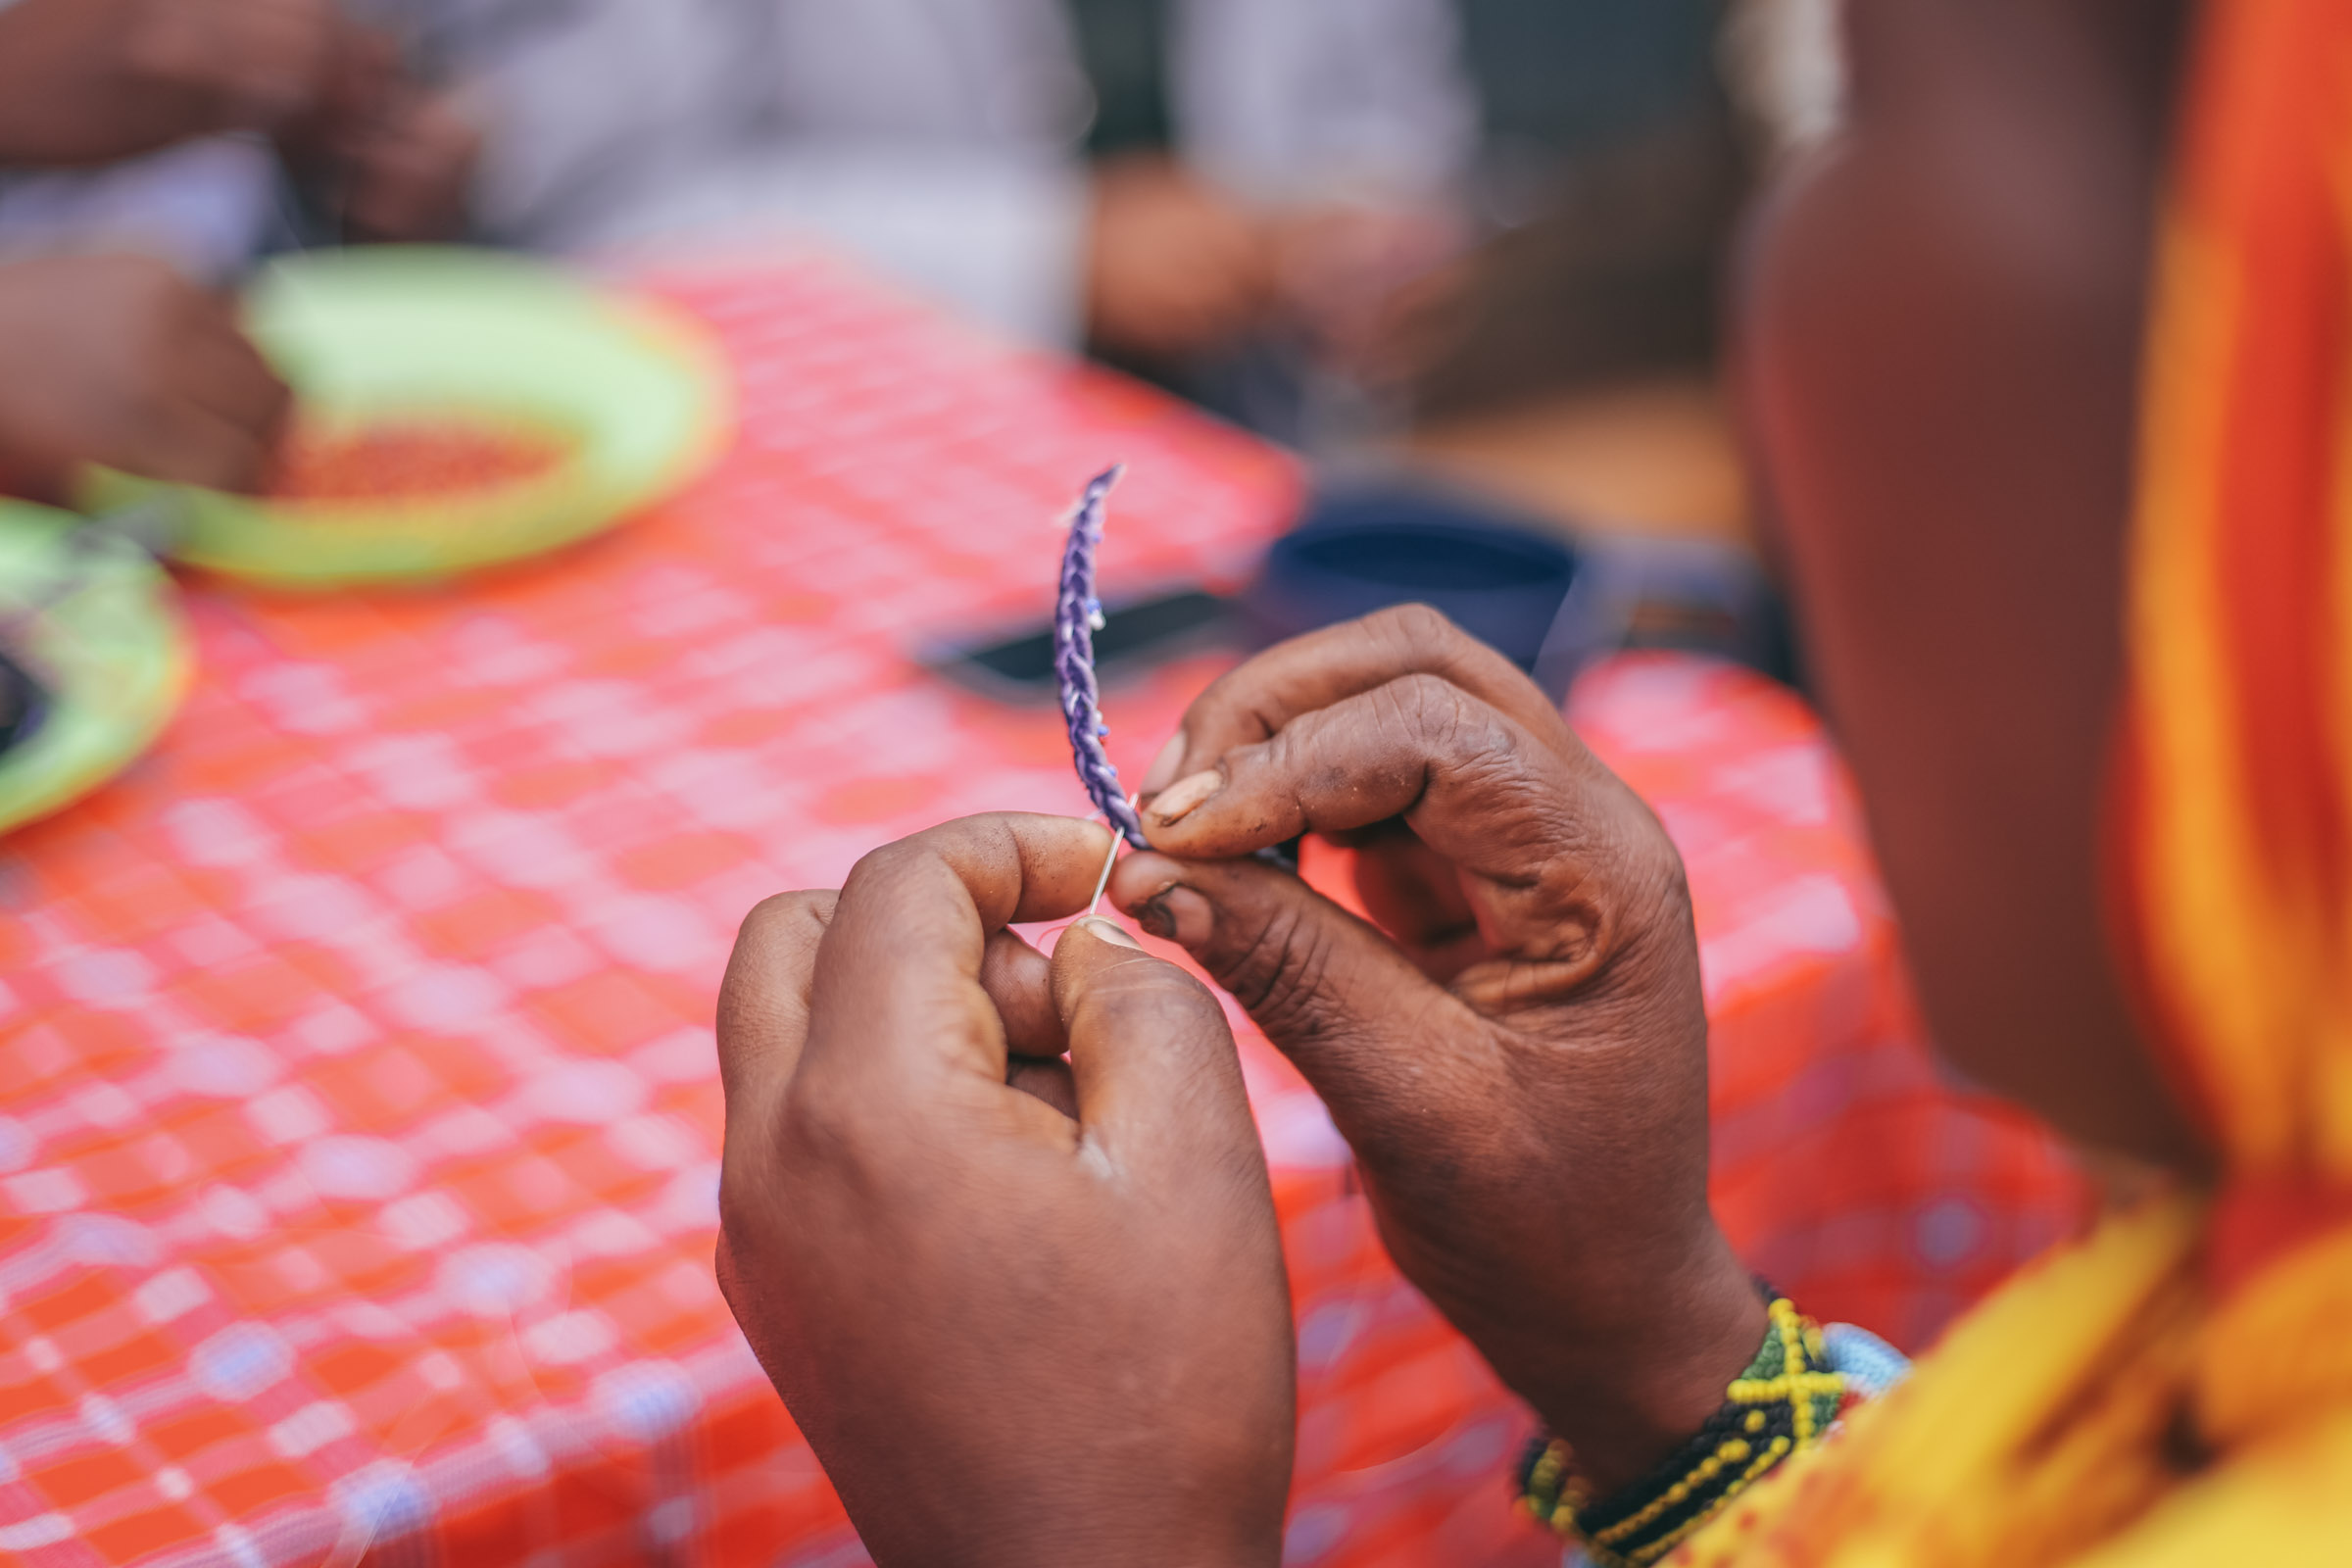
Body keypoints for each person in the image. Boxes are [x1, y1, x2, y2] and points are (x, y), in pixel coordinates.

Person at [711, 1, 2352, 1565]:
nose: (1784, 289)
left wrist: (1091, 1538)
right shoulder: (2231, 1382)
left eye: (1862, 115)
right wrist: (1647, 1337)